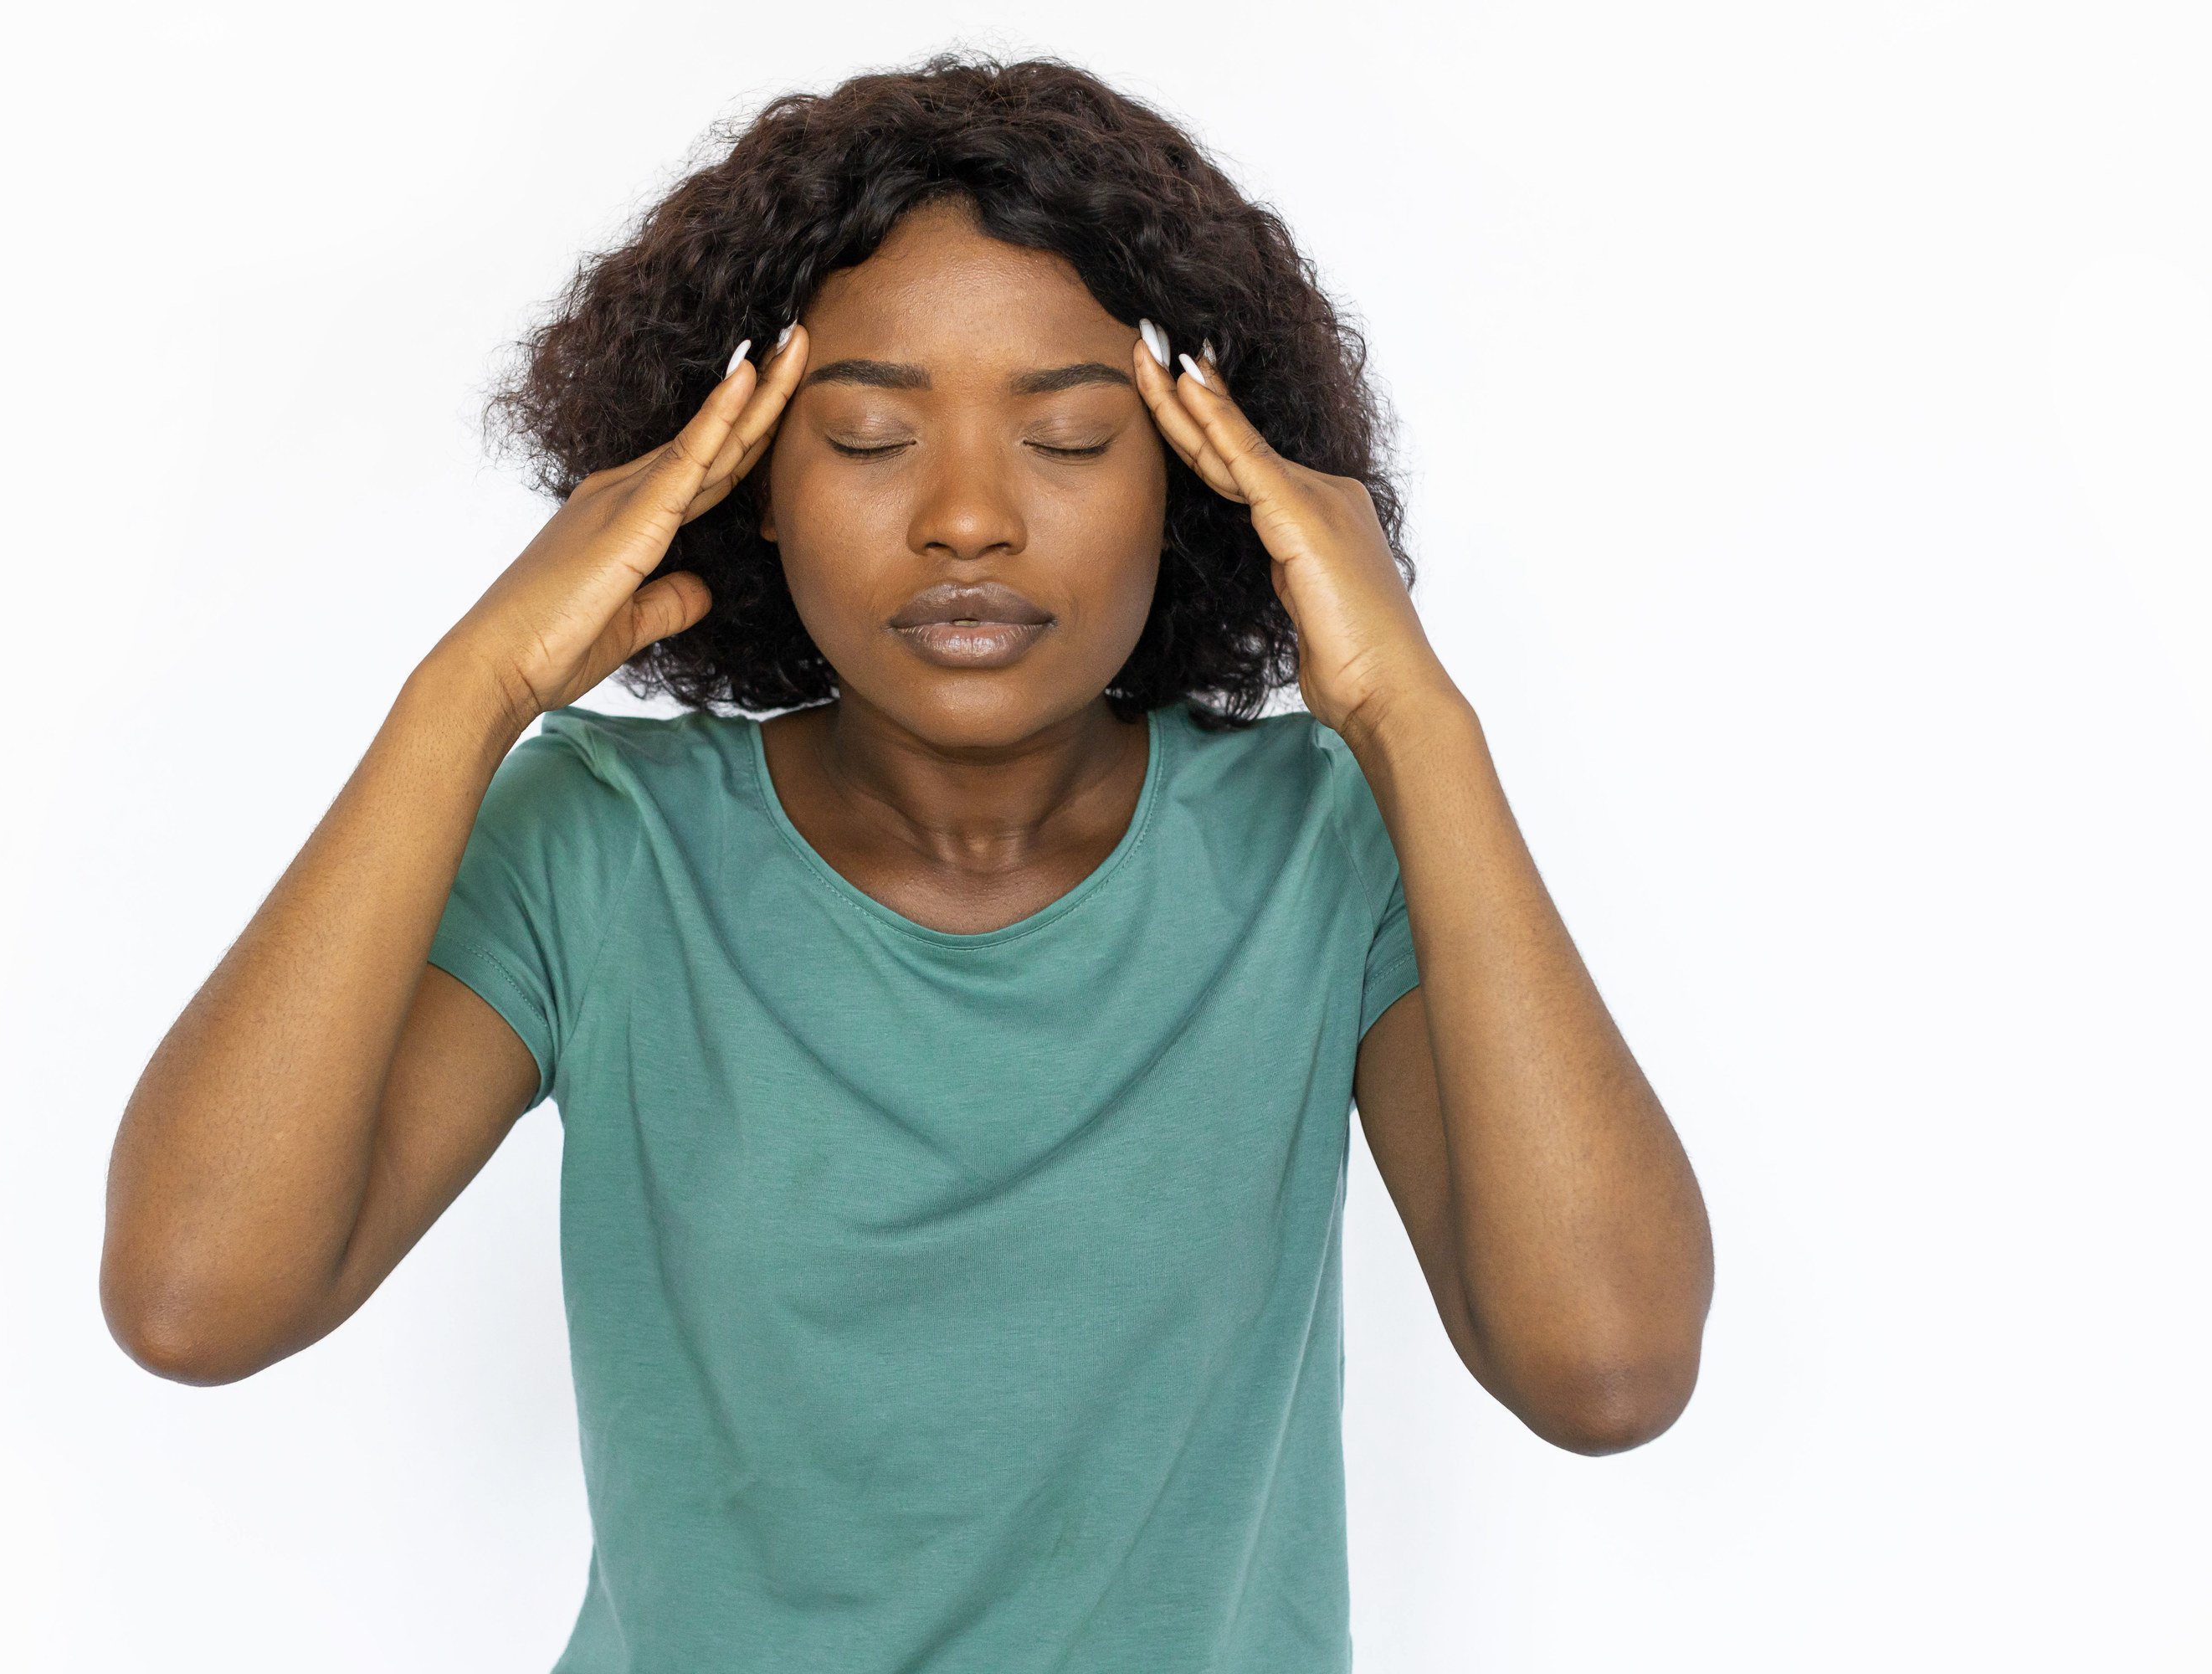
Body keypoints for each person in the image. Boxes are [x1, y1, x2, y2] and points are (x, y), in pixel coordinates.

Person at [102, 54, 1713, 1672]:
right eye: (871, 437)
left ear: (1192, 482)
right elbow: (194, 1301)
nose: (966, 518)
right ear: (749, 484)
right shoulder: (600, 844)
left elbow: (1608, 1373)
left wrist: (1416, 720)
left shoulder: (1323, 844)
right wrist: (471, 690)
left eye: (1068, 438)